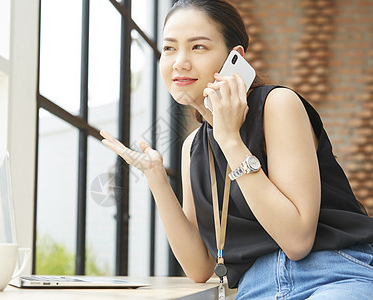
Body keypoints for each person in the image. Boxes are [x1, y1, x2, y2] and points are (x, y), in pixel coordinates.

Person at [100, 0, 373, 299]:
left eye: (198, 47)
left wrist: (230, 139)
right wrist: (157, 179)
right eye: (169, 48)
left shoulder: (277, 106)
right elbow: (200, 267)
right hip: (257, 289)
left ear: (235, 58)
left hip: (333, 276)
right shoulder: (194, 146)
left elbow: (297, 241)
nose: (179, 61)